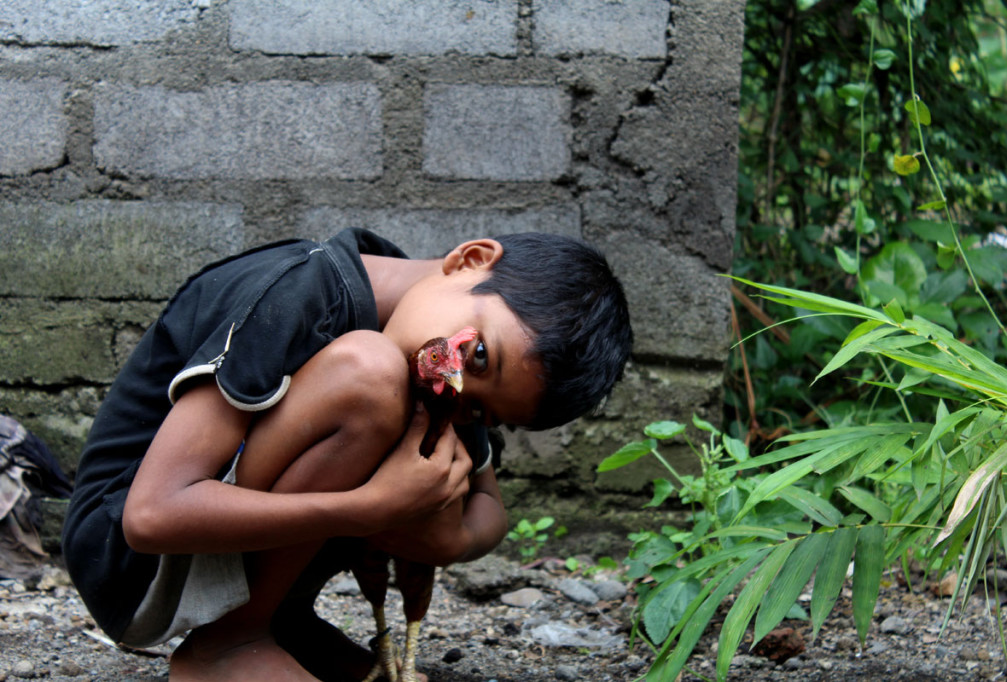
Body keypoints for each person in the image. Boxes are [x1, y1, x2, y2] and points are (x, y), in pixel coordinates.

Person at [61, 228, 632, 681]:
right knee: (373, 375)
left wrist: (438, 531)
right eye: (479, 357)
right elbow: (151, 515)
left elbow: (489, 511)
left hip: (207, 546)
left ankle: (283, 624)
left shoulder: (434, 346)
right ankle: (229, 645)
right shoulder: (300, 292)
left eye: (483, 412)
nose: (454, 390)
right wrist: (370, 511)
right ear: (469, 259)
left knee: (417, 436)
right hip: (128, 562)